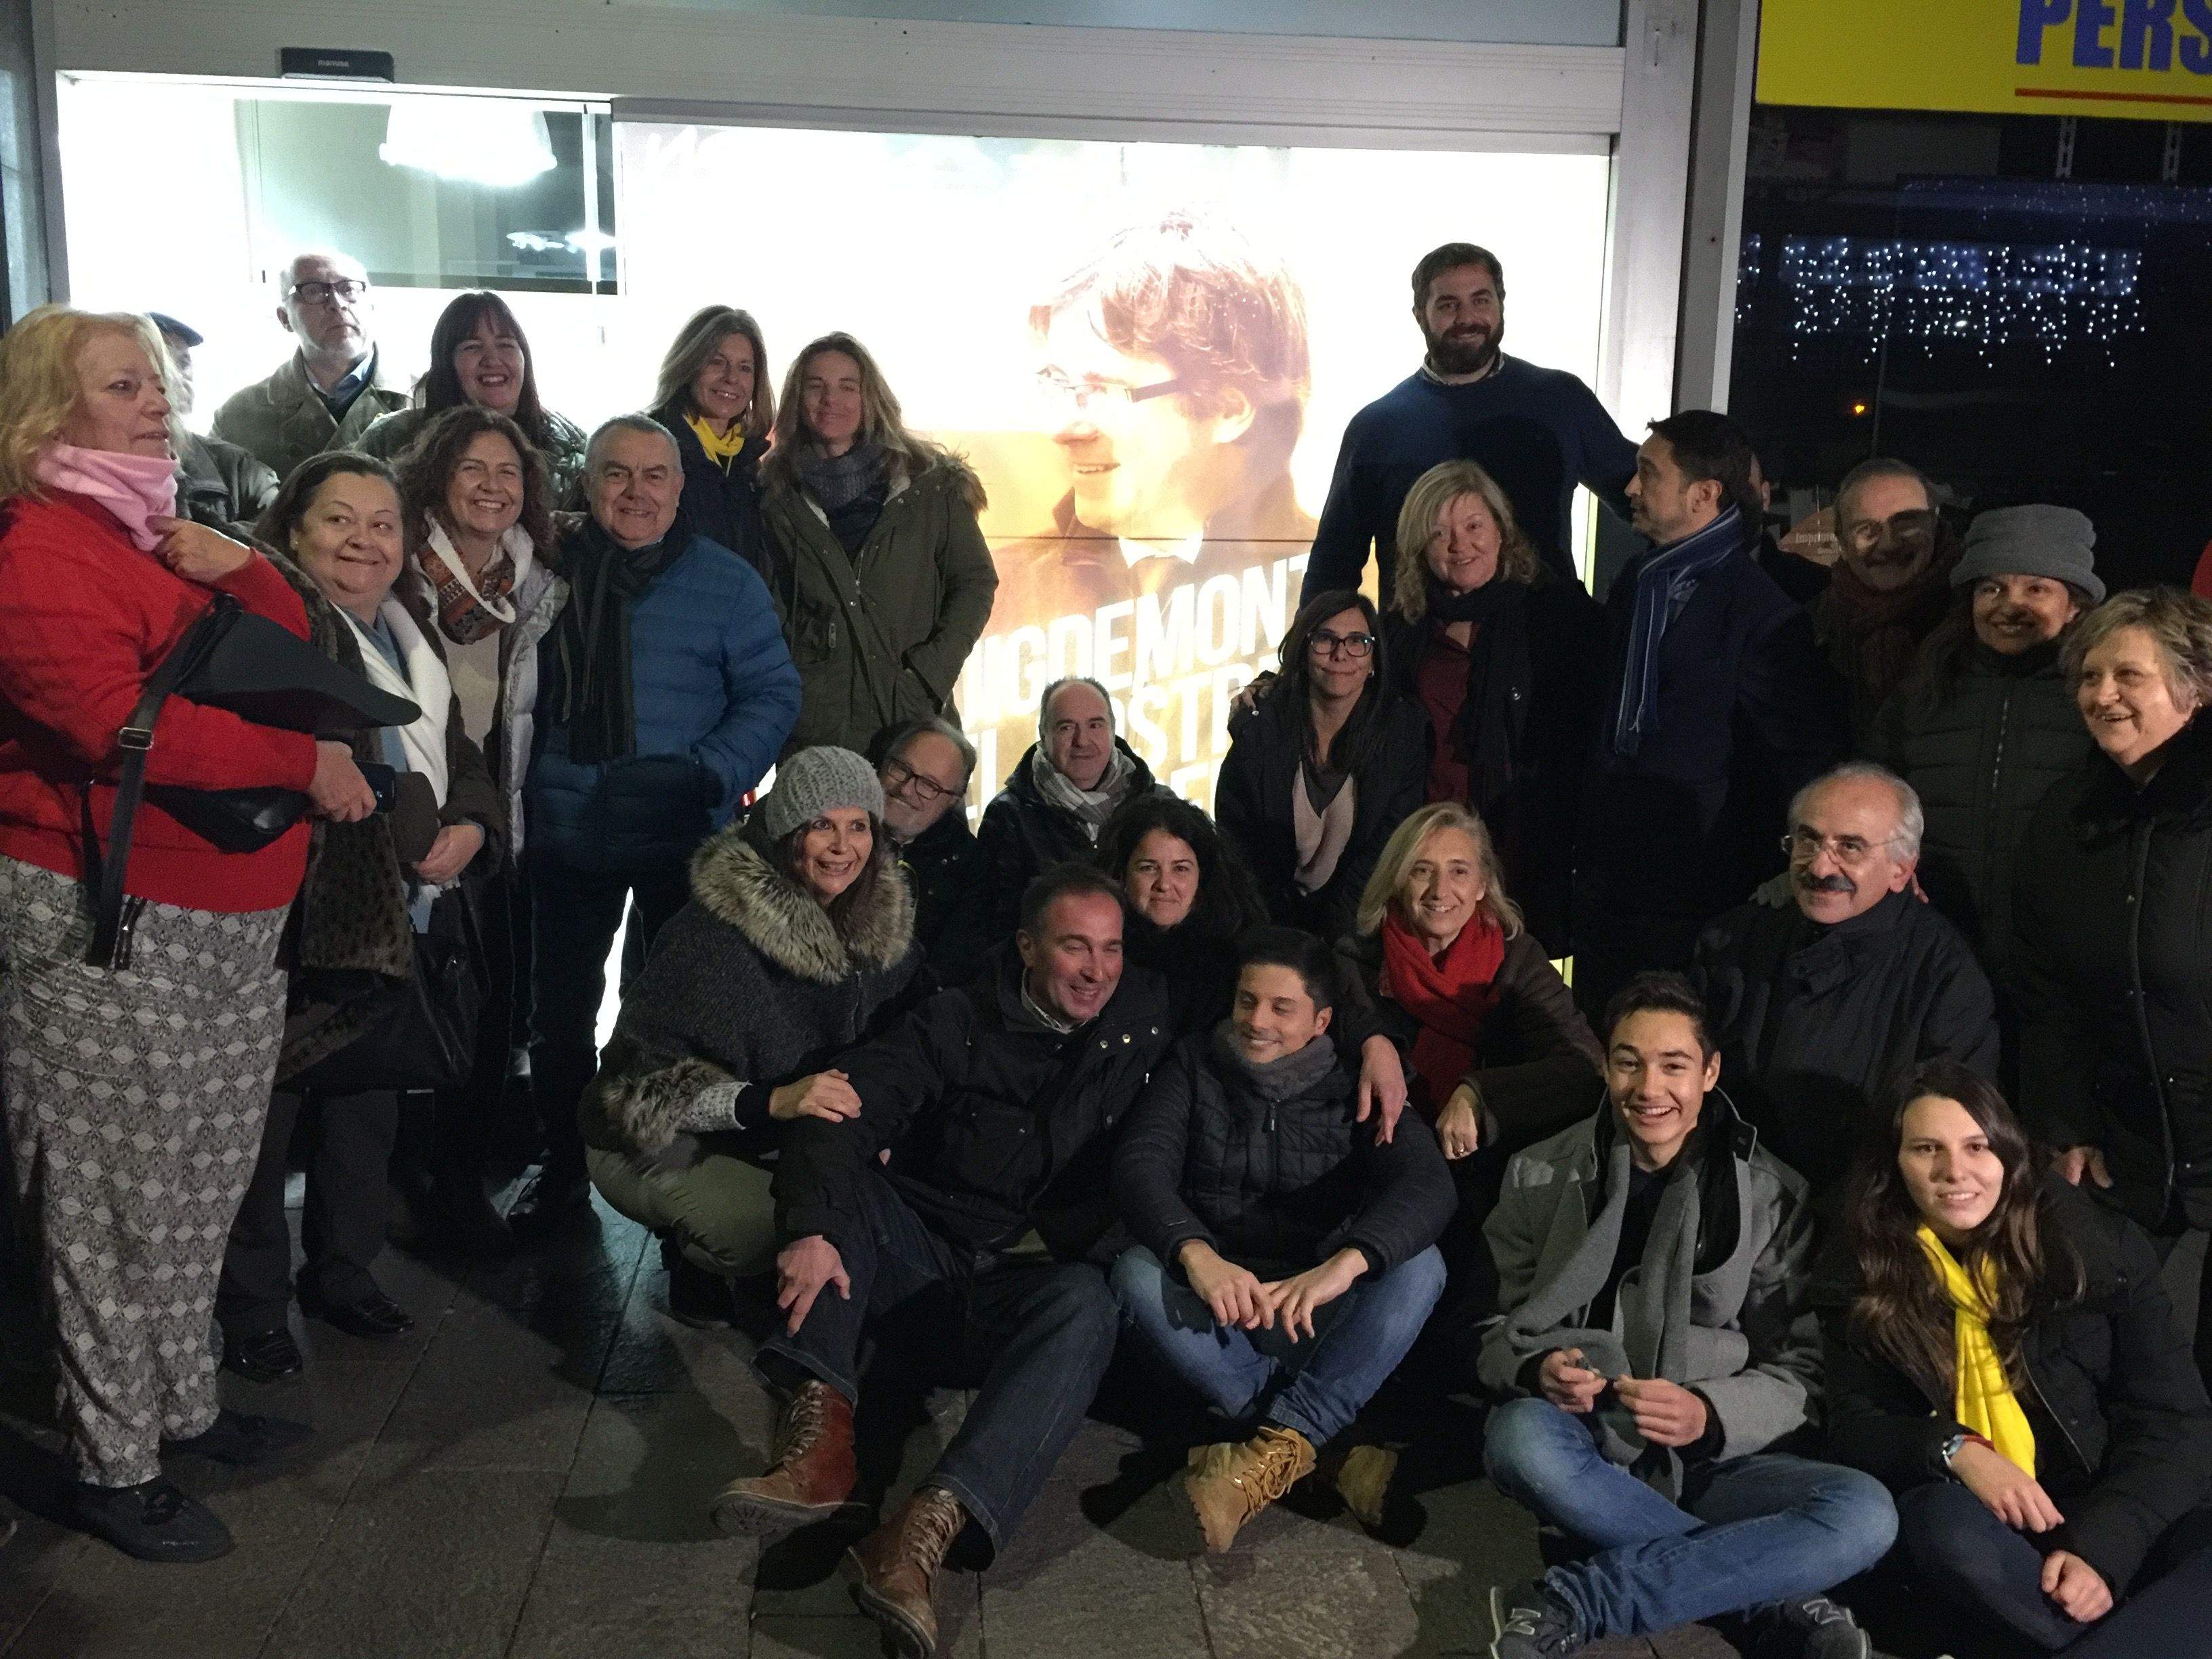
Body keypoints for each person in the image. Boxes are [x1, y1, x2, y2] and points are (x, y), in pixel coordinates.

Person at [0, 306, 375, 1561]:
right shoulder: (38, 550)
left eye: (157, 384)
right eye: (125, 386)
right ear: (49, 412)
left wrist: (250, 570)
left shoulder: (147, 528)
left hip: (221, 913)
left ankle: (180, 1408)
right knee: (112, 1203)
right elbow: (116, 725)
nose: (157, 404)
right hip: (109, 921)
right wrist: (301, 756)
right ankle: (113, 1466)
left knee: (197, 1184)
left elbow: (274, 647)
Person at [710, 864, 1174, 1658]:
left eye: (1111, 950)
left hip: (1021, 1277)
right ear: (1028, 947)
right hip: (915, 1254)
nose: (1097, 970)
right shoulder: (956, 1018)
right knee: (844, 1192)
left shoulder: (1143, 1023)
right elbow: (847, 1105)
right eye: (1074, 948)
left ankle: (924, 1531)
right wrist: (814, 1227)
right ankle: (819, 1443)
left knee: (1088, 1305)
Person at [1480, 973, 1893, 1659]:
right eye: (1628, 1062)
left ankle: (1573, 1598)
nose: (1649, 1090)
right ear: (1606, 1067)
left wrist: (1708, 1415)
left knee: (1867, 1513)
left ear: (1710, 1073)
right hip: (1586, 1442)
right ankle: (1769, 1592)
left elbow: (1803, 1367)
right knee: (1518, 1439)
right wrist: (1537, 1367)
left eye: (1674, 1066)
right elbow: (1489, 1328)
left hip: (1719, 1461)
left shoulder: (1768, 1196)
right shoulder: (1537, 1175)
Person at [216, 452, 501, 1376]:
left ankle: (343, 1271)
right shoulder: (275, 624)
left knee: (368, 1098)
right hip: (298, 909)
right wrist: (427, 820)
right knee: (269, 1113)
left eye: (381, 525)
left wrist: (472, 824)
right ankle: (253, 1306)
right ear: (293, 530)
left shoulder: (406, 631)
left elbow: (458, 749)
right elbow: (340, 762)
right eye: (339, 520)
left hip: (397, 911)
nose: (362, 541)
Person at [1819, 1061, 2212, 1658]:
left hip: (2113, 1511)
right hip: (2000, 1534)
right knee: (1937, 1523)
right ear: (1895, 1166)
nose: (1955, 1172)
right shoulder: (1867, 1268)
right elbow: (1854, 1426)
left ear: (2008, 1155)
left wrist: (2098, 1554)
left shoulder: (2096, 1247)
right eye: (1928, 1149)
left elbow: (2177, 1422)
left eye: (1977, 1147)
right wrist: (1956, 1448)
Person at [516, 414, 800, 1236]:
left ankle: (662, 1164)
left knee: (671, 1012)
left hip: (684, 834)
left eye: (653, 476)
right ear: (589, 482)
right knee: (560, 1013)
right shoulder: (549, 575)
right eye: (616, 474)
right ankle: (563, 1166)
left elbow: (772, 695)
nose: (634, 493)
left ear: (680, 489)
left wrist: (711, 769)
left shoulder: (728, 582)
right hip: (570, 830)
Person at [1109, 927, 1454, 1550]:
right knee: (1135, 1270)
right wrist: (1197, 1253)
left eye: (1280, 1007)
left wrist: (1345, 1266)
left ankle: (1267, 1454)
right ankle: (1326, 1449)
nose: (1256, 1021)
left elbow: (1429, 1186)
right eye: (1247, 1001)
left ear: (1322, 1020)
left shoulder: (1355, 1082)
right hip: (1225, 1312)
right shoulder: (1195, 1064)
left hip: (1316, 1315)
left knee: (1420, 1267)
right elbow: (1140, 1165)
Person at [972, 210, 1316, 809]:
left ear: (1229, 407)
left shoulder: (1335, 591)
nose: (1065, 427)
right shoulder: (993, 594)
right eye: (1059, 384)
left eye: (1102, 390)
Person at [580, 747, 923, 1326]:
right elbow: (634, 1093)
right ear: (787, 831)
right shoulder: (711, 939)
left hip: (782, 1133)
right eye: (821, 826)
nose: (844, 847)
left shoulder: (878, 925)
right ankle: (695, 1259)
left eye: (858, 825)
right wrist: (768, 1101)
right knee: (757, 1233)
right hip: (649, 1135)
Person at [1572, 410, 1846, 1023]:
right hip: (1609, 885)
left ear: (1704, 495)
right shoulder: (1638, 583)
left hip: (1695, 896)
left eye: (1649, 473)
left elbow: (1798, 753)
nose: (1632, 488)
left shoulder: (1763, 612)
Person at [2013, 588, 2212, 1376]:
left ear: (2194, 688)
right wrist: (2067, 1124)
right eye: (2089, 677)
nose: (2102, 696)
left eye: (2129, 676)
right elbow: (2044, 993)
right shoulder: (2068, 819)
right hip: (2129, 1174)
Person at [392, 405, 567, 1254]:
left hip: (499, 820)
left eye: (509, 473)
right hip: (410, 818)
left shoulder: (534, 579)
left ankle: (457, 1183)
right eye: (473, 470)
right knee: (405, 1007)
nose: (494, 488)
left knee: (493, 1007)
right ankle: (396, 1187)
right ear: (437, 478)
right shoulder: (397, 567)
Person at [1335, 802, 1601, 1320]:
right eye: (1422, 870)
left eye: (1459, 872)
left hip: (1486, 1172)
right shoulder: (1358, 958)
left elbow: (1585, 1067)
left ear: (1483, 885)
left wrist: (1481, 1092)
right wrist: (1375, 1041)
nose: (1440, 892)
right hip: (1378, 1162)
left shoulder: (1517, 959)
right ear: (1396, 879)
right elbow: (1343, 1023)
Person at [1689, 763, 1999, 1197]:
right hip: (1730, 1202)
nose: (1819, 867)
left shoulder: (1946, 975)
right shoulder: (1732, 942)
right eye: (1808, 840)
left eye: (1849, 848)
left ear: (1901, 869)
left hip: (1867, 1219)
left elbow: (1953, 1135)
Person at [1302, 241, 1638, 604]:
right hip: (1419, 651)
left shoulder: (1561, 399)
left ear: (1501, 304)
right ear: (1419, 314)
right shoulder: (1376, 428)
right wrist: (1314, 648)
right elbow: (1334, 563)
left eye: (1481, 300)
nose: (1467, 318)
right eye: (1448, 305)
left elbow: (1648, 502)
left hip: (1545, 646)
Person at [1867, 505, 2101, 979]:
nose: (2009, 605)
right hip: (1934, 950)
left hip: (2058, 959)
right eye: (1991, 588)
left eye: (2037, 588)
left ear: (2074, 604)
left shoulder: (2099, 698)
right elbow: (1875, 800)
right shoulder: (1924, 691)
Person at [1380, 459, 1604, 953]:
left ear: (1502, 530)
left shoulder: (1557, 613)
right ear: (1418, 549)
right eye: (1440, 534)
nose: (1460, 546)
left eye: (1474, 526)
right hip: (1427, 843)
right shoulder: (1401, 631)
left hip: (1523, 839)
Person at [757, 332, 997, 759]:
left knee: (924, 827)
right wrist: (799, 689)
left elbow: (975, 583)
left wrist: (929, 674)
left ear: (869, 397)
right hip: (819, 732)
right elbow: (766, 607)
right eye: (817, 386)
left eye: (847, 386)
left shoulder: (929, 485)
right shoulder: (774, 496)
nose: (832, 399)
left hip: (915, 724)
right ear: (798, 397)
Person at [1215, 590, 1429, 943]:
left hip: (1357, 933)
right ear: (1304, 650)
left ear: (1374, 659)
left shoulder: (1404, 736)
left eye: (1358, 641)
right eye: (1326, 639)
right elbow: (1237, 844)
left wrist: (1333, 943)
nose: (1341, 653)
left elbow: (1388, 849)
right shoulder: (1260, 727)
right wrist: (1277, 938)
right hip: (1265, 926)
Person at [972, 676, 1157, 944]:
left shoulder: (1157, 805)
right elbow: (997, 929)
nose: (1082, 740)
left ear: (1113, 731)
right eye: (1066, 727)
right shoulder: (1008, 817)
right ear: (1043, 735)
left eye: (1095, 725)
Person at [356, 291, 590, 501]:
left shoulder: (571, 449)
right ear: (447, 364)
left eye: (505, 345)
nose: (493, 360)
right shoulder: (389, 440)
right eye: (473, 347)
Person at [211, 250, 409, 480]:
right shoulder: (240, 418)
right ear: (284, 318)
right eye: (313, 291)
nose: (337, 304)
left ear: (372, 305)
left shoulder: (425, 398)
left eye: (349, 289)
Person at [1810, 459, 1960, 741]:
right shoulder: (1806, 631)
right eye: (1866, 529)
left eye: (1906, 525)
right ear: (1841, 540)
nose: (1888, 544)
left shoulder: (1977, 621)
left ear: (1935, 525)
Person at [1093, 790, 1265, 1029]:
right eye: (1148, 868)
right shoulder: (1097, 953)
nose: (1164, 885)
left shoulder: (1237, 959)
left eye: (1181, 869)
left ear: (1202, 877)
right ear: (1121, 875)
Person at [647, 304, 774, 570]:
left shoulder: (748, 463)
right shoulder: (651, 448)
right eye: (717, 362)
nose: (731, 378)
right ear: (689, 364)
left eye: (745, 368)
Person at [874, 716, 989, 966]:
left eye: (929, 785)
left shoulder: (972, 868)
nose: (905, 789)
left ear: (952, 800)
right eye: (901, 769)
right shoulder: (835, 835)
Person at [150, 311, 279, 531]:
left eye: (182, 363)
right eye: (160, 364)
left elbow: (287, 533)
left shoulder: (238, 470)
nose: (175, 377)